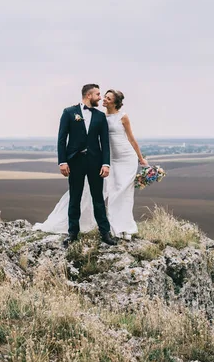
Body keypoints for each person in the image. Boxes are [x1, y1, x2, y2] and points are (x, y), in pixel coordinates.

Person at [42, 84, 116, 247]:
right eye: (97, 94)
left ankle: (105, 232)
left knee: (98, 198)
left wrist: (106, 163)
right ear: (88, 95)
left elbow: (104, 142)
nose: (100, 98)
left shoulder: (100, 116)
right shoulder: (69, 112)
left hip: (95, 162)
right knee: (75, 197)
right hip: (75, 162)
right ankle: (72, 233)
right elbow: (62, 139)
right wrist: (62, 161)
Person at [102, 89, 148, 240]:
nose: (104, 99)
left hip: (127, 158)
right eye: (105, 97)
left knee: (125, 192)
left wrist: (141, 159)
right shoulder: (101, 117)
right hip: (111, 160)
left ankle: (126, 227)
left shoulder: (123, 117)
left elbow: (131, 139)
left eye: (108, 98)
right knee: (113, 191)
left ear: (115, 103)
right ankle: (115, 226)